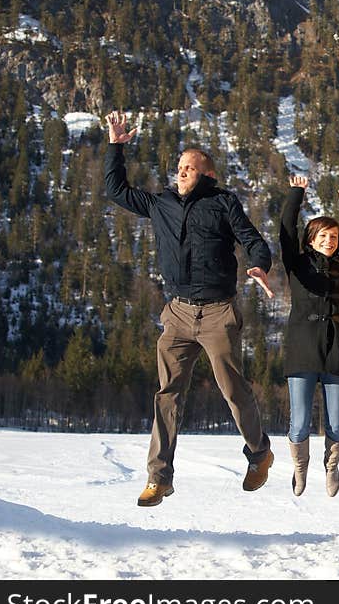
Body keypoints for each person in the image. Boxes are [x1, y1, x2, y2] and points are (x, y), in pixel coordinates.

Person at [103, 110, 276, 507]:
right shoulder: (160, 202)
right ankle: (159, 478)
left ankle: (259, 452)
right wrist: (115, 146)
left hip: (218, 312)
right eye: (179, 166)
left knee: (234, 391)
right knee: (167, 395)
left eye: (189, 168)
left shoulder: (223, 204)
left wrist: (259, 266)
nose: (181, 172)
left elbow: (254, 241)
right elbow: (117, 190)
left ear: (207, 174)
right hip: (177, 313)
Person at [279, 176, 339, 498]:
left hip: (337, 349)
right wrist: (296, 194)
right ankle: (300, 468)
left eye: (334, 236)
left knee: (336, 423)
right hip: (303, 349)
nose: (330, 241)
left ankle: (331, 467)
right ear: (311, 239)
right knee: (300, 422)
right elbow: (286, 230)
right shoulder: (297, 264)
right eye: (324, 236)